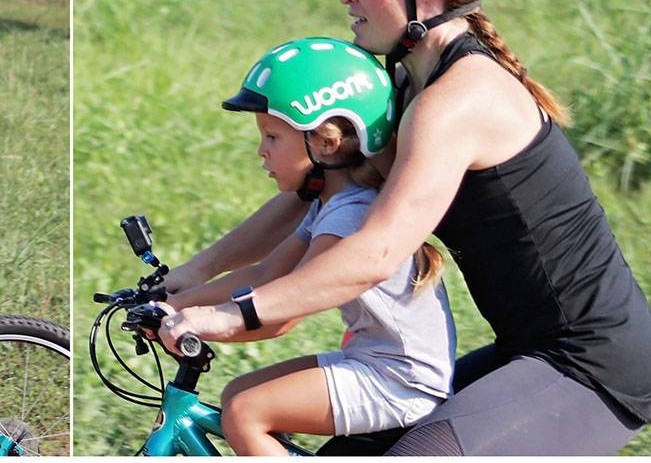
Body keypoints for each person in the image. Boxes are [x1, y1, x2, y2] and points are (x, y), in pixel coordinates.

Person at [158, 0, 651, 455]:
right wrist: (189, 280)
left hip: (591, 368)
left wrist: (229, 317)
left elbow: (372, 255)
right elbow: (312, 192)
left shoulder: (458, 100)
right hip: (528, 351)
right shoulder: (407, 83)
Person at [161, 37, 455, 456]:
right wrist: (176, 304)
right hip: (377, 362)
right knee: (237, 393)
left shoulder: (350, 214)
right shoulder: (330, 203)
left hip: (401, 380)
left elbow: (281, 317)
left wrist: (202, 319)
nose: (261, 151)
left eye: (273, 137)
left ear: (326, 143)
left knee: (246, 412)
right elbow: (264, 278)